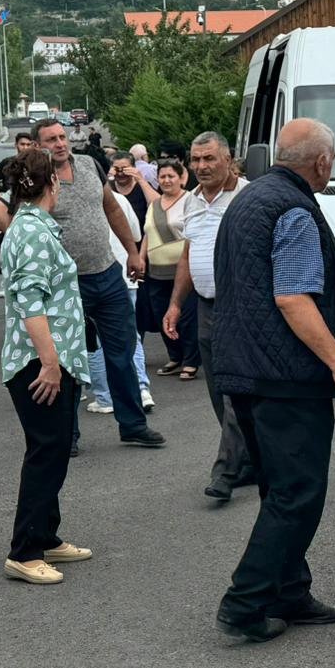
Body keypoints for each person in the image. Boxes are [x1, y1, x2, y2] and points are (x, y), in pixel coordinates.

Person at [211, 119, 335, 643]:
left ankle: (289, 591)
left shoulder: (250, 198)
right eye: (334, 157)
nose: (334, 164)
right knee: (298, 492)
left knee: (279, 486)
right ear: (321, 162)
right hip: (285, 376)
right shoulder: (294, 209)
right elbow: (293, 298)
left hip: (244, 369)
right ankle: (245, 602)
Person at [34, 118, 164, 448]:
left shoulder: (90, 164)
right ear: (39, 146)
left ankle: (133, 424)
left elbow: (111, 209)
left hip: (107, 273)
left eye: (62, 136)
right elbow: (19, 221)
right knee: (68, 359)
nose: (60, 143)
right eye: (51, 139)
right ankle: (68, 435)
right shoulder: (35, 178)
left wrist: (133, 254)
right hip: (66, 283)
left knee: (122, 350)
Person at [0, 151, 95, 585]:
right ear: (52, 182)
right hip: (40, 364)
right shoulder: (33, 233)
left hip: (49, 360)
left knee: (52, 450)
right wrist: (51, 363)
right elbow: (30, 304)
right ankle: (24, 551)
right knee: (46, 452)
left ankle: (46, 535)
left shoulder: (31, 227)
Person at [164, 131, 253, 501]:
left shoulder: (248, 195)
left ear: (228, 160)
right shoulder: (192, 202)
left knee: (233, 388)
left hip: (241, 307)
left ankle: (226, 471)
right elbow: (189, 254)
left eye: (209, 159)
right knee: (218, 389)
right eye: (195, 160)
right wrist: (175, 304)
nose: (201, 166)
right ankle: (251, 460)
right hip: (205, 305)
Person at [85, 185, 156, 416]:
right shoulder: (120, 200)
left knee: (93, 338)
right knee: (129, 335)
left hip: (94, 275)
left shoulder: (77, 197)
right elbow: (136, 234)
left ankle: (105, 396)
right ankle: (142, 388)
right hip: (125, 274)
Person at [144, 158, 201, 380]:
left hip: (183, 270)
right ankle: (175, 357)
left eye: (171, 176)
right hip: (156, 271)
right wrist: (140, 259)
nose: (166, 180)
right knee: (161, 316)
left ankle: (191, 361)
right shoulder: (154, 204)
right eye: (162, 176)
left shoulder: (190, 201)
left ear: (181, 178)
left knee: (186, 317)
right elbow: (148, 234)